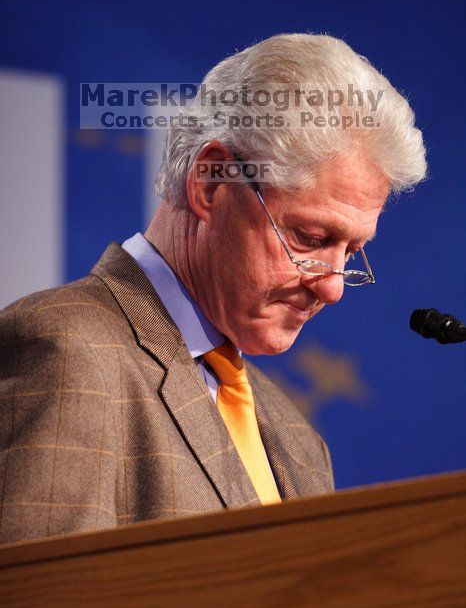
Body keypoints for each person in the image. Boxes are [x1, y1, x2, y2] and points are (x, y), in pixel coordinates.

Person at [0, 33, 426, 544]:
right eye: (311, 238)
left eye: (351, 252)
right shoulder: (68, 351)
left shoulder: (297, 437)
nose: (333, 288)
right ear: (210, 183)